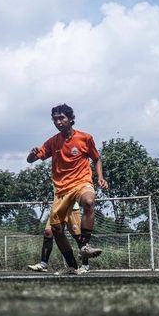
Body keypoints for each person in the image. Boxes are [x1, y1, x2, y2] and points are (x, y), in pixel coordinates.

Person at [26, 104, 108, 275]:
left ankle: (85, 246)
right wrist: (32, 155)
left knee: (89, 201)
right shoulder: (52, 142)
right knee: (55, 230)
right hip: (62, 190)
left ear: (71, 119)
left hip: (82, 182)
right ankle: (72, 265)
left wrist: (100, 177)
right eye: (55, 119)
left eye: (61, 118)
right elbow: (31, 160)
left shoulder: (85, 138)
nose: (58, 122)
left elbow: (97, 158)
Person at [28, 202, 91, 274]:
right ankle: (43, 264)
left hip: (71, 208)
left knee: (79, 237)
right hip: (57, 208)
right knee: (48, 232)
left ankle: (85, 266)